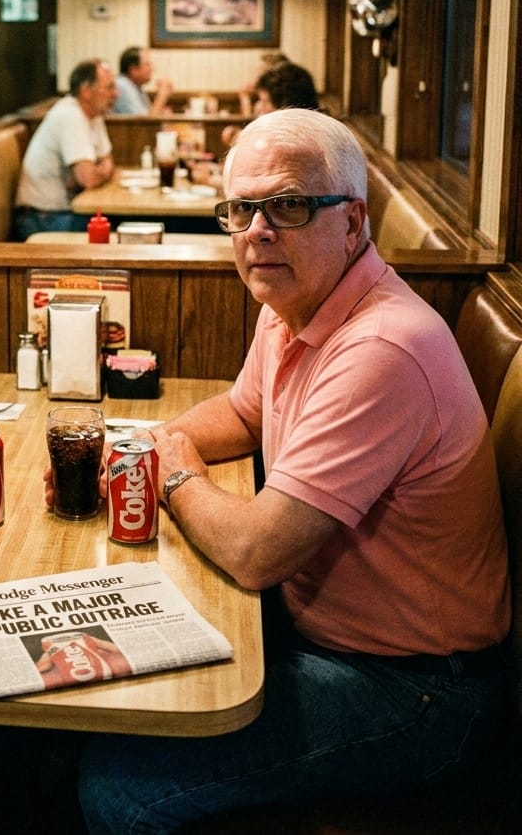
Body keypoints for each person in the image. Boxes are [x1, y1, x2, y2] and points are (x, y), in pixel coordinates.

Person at [67, 109, 511, 832]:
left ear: (353, 219)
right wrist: (140, 448)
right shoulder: (293, 299)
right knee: (112, 693)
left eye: (289, 204)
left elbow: (255, 552)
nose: (257, 231)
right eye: (240, 209)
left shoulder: (383, 349)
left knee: (124, 781)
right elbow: (245, 415)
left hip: (416, 691)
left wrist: (175, 473)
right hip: (325, 637)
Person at [13, 58, 116, 239]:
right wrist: (100, 171)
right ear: (86, 91)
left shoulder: (94, 115)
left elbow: (108, 161)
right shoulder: (70, 115)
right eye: (109, 87)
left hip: (63, 212)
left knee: (127, 225)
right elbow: (89, 179)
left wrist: (99, 170)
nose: (116, 93)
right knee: (121, 228)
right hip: (42, 219)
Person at [221, 57, 317, 149]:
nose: (260, 107)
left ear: (285, 105)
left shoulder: (292, 139)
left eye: (265, 101)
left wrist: (238, 137)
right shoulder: (309, 126)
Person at [112, 46, 173, 115]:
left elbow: (149, 114)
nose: (152, 69)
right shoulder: (122, 86)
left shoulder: (136, 86)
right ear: (133, 70)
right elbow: (144, 123)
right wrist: (162, 94)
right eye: (147, 65)